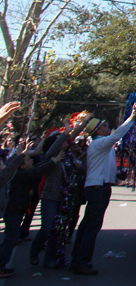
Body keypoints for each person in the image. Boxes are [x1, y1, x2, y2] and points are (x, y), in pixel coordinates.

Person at [70, 105, 136, 276]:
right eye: (103, 125)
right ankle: (82, 261)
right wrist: (132, 117)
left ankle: (77, 259)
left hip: (98, 187)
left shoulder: (101, 146)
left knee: (87, 224)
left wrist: (117, 176)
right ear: (99, 131)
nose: (107, 127)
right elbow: (118, 134)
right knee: (92, 226)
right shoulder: (101, 144)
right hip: (98, 188)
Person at [0, 126, 70, 277]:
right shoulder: (20, 175)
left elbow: (35, 165)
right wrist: (54, 161)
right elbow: (37, 170)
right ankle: (1, 265)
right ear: (23, 165)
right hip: (13, 211)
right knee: (11, 239)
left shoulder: (22, 171)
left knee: (11, 239)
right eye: (27, 159)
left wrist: (23, 153)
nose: (30, 160)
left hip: (17, 211)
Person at [30, 115, 93, 268]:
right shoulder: (51, 156)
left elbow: (83, 171)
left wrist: (80, 167)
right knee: (47, 228)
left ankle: (50, 259)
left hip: (65, 198)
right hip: (50, 197)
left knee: (58, 230)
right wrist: (65, 132)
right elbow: (59, 143)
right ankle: (34, 251)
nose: (66, 140)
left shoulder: (69, 157)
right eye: (62, 139)